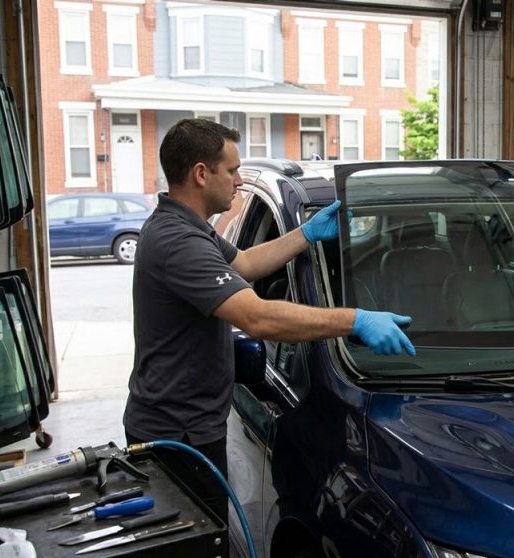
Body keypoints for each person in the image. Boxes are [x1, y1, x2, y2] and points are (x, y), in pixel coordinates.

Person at [123, 118, 415, 522]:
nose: (240, 180)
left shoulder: (188, 228)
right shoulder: (179, 242)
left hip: (185, 425)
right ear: (201, 175)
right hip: (178, 436)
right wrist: (356, 320)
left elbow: (245, 263)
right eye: (232, 170)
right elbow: (255, 317)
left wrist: (307, 234)